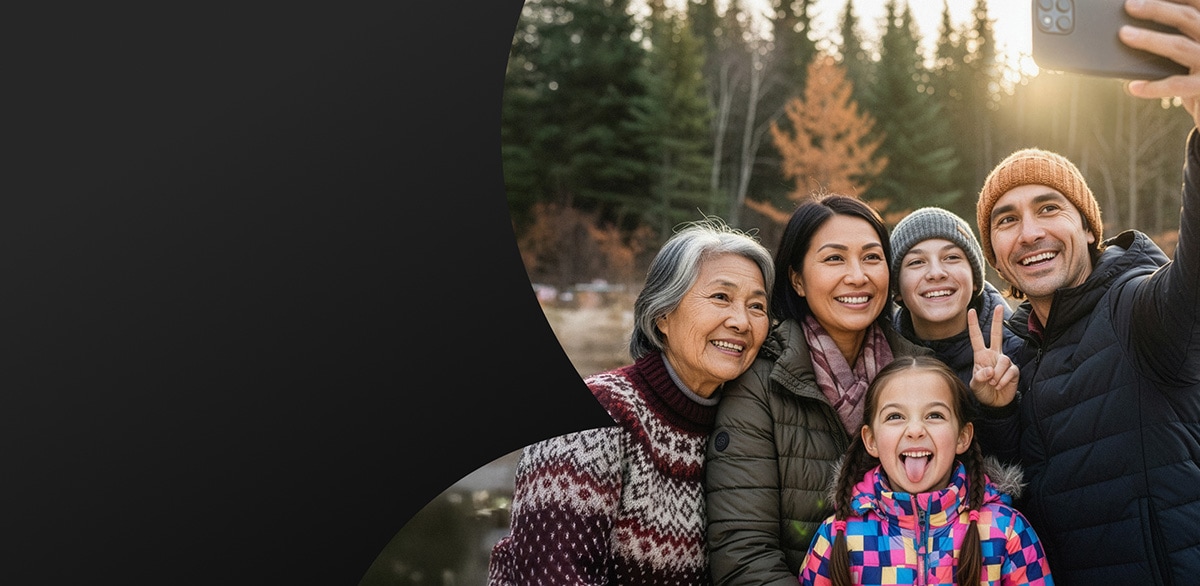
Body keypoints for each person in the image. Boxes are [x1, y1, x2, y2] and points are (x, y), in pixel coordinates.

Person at [970, 3, 1200, 581]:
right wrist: (995, 410)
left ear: (1088, 230)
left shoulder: (1137, 308)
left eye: (1049, 208)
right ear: (996, 257)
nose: (1030, 233)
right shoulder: (1015, 350)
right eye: (1005, 220)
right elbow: (1016, 487)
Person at [487, 217, 774, 586]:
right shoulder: (594, 417)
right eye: (721, 297)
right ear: (662, 316)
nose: (741, 321)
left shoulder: (747, 424)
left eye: (757, 306)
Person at [704, 193, 931, 585]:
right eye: (834, 258)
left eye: (872, 257)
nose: (858, 276)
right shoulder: (760, 383)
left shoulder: (922, 372)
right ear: (797, 279)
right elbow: (744, 553)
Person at [797, 356, 1054, 586]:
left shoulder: (1006, 530)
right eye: (895, 416)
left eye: (934, 415)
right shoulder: (838, 535)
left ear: (962, 437)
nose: (915, 429)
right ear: (871, 440)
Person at [888, 207, 1026, 460]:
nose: (936, 272)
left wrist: (998, 410)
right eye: (917, 262)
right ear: (896, 289)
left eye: (951, 257)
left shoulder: (1019, 350)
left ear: (975, 280)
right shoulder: (883, 359)